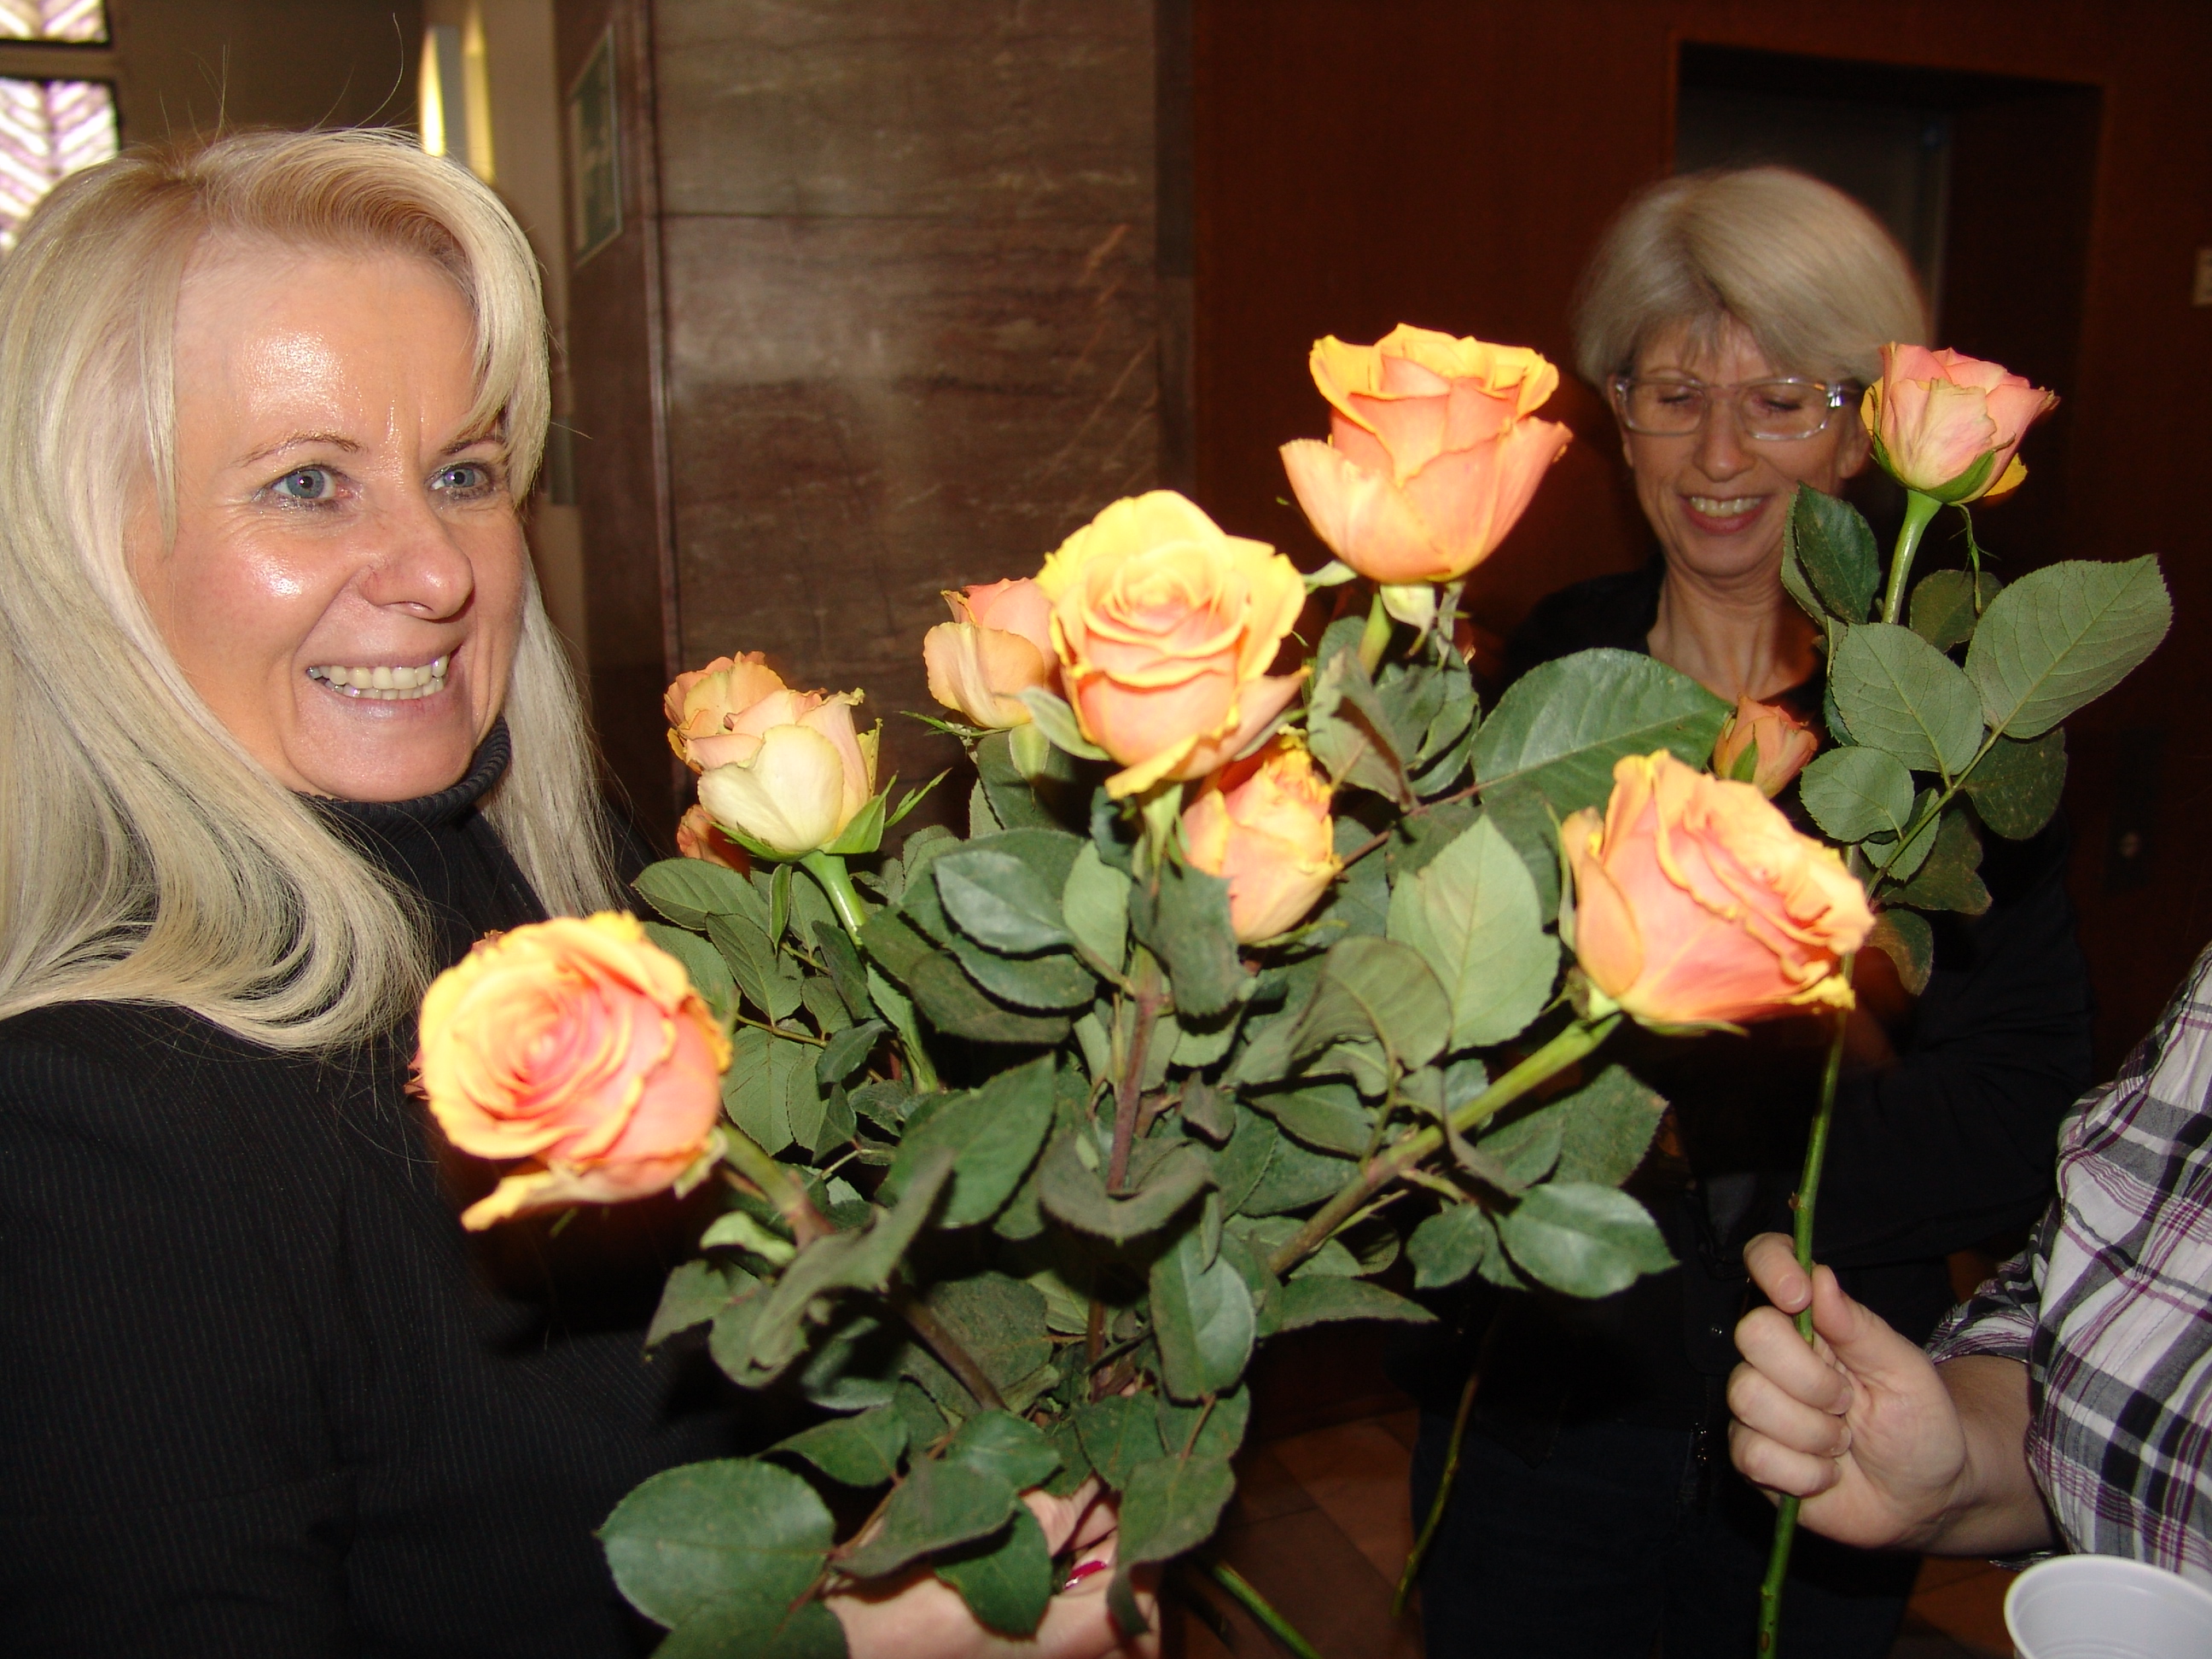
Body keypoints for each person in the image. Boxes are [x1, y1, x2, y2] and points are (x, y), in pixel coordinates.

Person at [0, 130, 1149, 1658]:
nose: (437, 569)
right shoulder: (88, 1133)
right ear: (84, 560)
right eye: (306, 483)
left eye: (464, 473)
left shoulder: (569, 895)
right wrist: (853, 1640)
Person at [1396, 167, 2095, 1656]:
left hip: (1838, 1417)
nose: (1719, 453)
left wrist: (1692, 1134)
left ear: (1860, 429)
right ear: (1618, 416)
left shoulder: (1949, 731)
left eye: (1780, 399)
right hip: (1545, 1403)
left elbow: (2019, 1102)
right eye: (1673, 395)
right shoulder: (1552, 677)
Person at [1728, 940, 2212, 1582]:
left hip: (1877, 1273)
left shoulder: (1968, 909)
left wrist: (1735, 1144)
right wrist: (1959, 1476)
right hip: (1771, 1370)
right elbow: (2077, 1299)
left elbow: (2008, 1115)